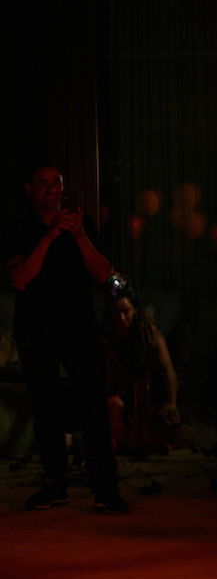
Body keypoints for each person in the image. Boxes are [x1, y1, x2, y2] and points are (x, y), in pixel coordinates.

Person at [3, 162, 126, 513]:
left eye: (56, 183)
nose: (51, 189)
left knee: (92, 406)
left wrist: (80, 236)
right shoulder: (18, 229)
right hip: (36, 328)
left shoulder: (82, 226)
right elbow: (20, 279)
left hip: (79, 326)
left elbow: (104, 274)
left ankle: (106, 488)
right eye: (43, 184)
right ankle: (55, 484)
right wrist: (49, 237)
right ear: (29, 189)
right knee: (46, 407)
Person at [102, 283, 182, 455]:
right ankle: (126, 444)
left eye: (126, 312)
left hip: (148, 396)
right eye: (117, 313)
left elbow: (168, 370)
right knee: (112, 404)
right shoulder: (108, 337)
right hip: (124, 392)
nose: (122, 318)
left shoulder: (151, 336)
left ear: (135, 310)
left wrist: (171, 402)